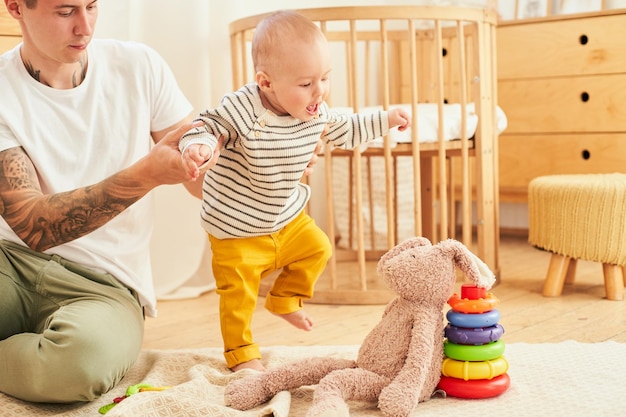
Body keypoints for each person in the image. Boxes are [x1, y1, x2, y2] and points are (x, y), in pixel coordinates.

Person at [0, 0, 220, 403]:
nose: (85, 27)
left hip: (105, 284)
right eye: (65, 12)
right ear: (16, 7)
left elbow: (202, 180)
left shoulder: (140, 66)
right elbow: (34, 227)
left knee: (78, 367)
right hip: (11, 263)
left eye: (91, 6)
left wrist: (267, 169)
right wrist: (146, 174)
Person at [179, 10, 411, 372]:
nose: (319, 91)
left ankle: (285, 298)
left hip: (285, 219)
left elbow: (347, 128)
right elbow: (208, 125)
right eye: (306, 83)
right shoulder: (244, 108)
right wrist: (202, 147)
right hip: (236, 230)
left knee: (319, 247)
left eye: (324, 78)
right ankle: (242, 355)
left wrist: (386, 120)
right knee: (237, 296)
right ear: (266, 82)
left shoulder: (316, 112)